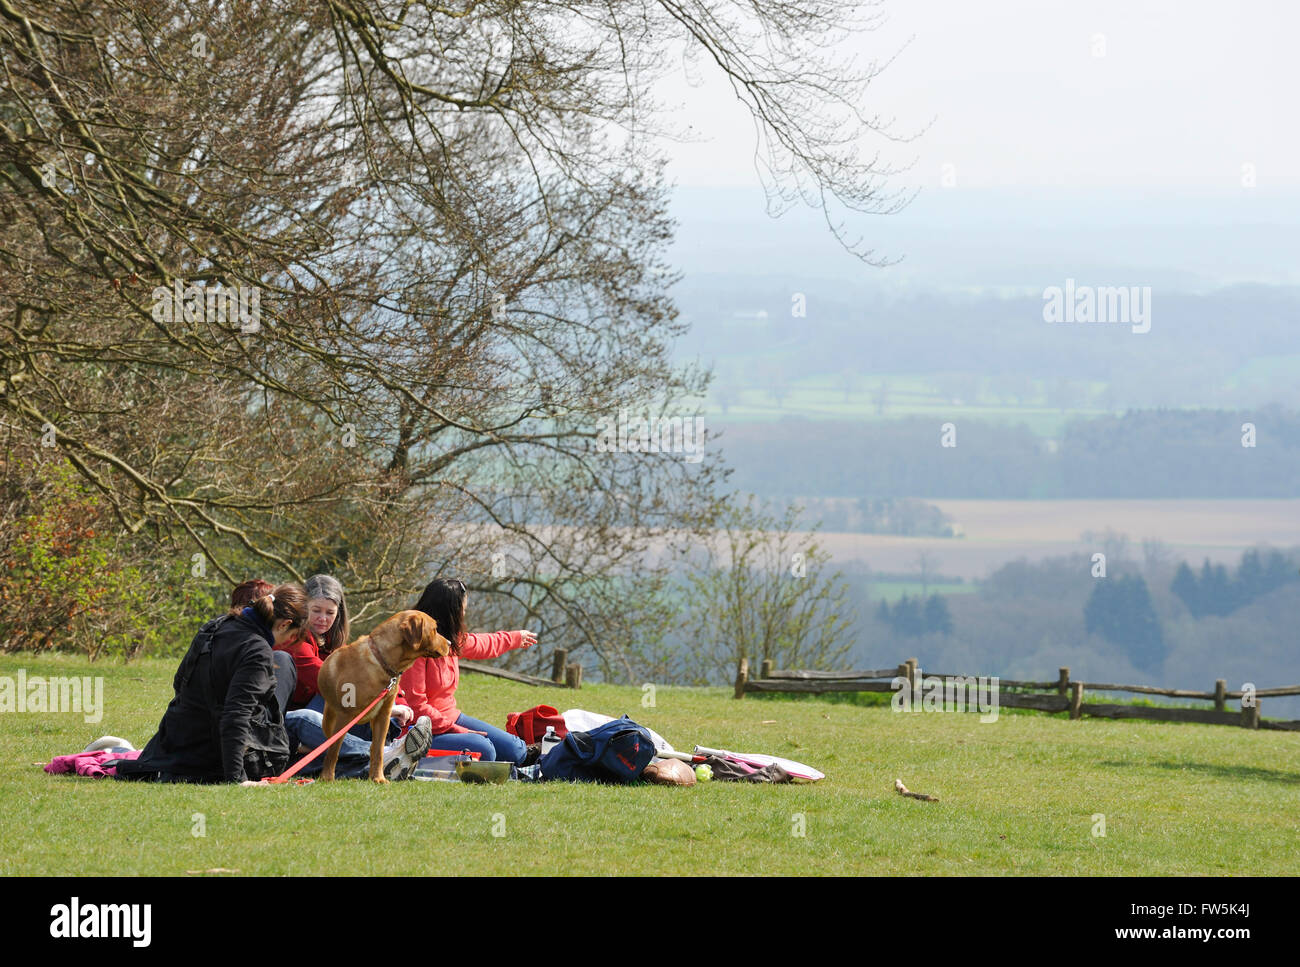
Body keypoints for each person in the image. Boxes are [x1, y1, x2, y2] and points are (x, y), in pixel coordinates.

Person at [115, 585, 309, 784]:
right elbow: (236, 716)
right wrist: (237, 779)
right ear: (284, 625)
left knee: (281, 661)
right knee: (284, 661)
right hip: (213, 758)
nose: (289, 642)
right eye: (294, 636)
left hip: (173, 745)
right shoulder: (258, 651)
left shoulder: (214, 626)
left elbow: (179, 683)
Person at [400, 578, 537, 764]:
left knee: (515, 748)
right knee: (485, 750)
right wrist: (456, 729)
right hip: (420, 729)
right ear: (451, 612)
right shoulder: (415, 647)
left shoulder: (449, 640)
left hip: (452, 718)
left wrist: (515, 638)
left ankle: (533, 758)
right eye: (462, 609)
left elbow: (482, 644)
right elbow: (416, 708)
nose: (464, 614)